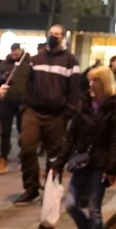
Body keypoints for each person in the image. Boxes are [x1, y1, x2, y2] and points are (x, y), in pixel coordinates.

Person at [52, 66, 116, 229]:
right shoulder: (83, 105)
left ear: (105, 82)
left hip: (101, 166)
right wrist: (58, 163)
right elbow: (71, 136)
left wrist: (112, 170)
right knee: (71, 204)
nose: (91, 85)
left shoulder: (114, 108)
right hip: (81, 163)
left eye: (95, 80)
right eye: (90, 80)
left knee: (94, 209)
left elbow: (115, 142)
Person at [14, 25, 83, 209]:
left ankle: (51, 189)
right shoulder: (35, 59)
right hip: (34, 111)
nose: (54, 37)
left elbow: (74, 89)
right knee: (27, 146)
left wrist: (69, 110)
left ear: (63, 38)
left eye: (57, 34)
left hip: (57, 114)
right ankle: (31, 188)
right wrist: (24, 106)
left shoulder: (70, 61)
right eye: (51, 34)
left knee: (55, 155)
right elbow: (25, 82)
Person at [0, 43, 29, 176]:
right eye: (12, 51)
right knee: (5, 131)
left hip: (22, 102)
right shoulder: (5, 63)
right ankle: (3, 158)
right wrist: (3, 77)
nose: (14, 54)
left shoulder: (28, 63)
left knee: (23, 131)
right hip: (7, 102)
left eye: (16, 52)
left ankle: (24, 156)